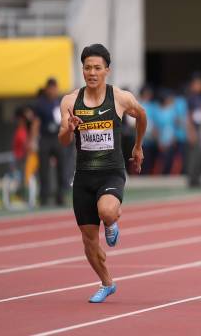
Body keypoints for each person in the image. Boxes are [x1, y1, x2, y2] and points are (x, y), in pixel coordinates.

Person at [58, 43, 147, 303]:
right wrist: (69, 128)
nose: (92, 72)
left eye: (97, 68)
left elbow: (141, 116)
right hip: (84, 175)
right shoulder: (70, 101)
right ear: (82, 70)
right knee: (88, 240)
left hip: (111, 172)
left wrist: (138, 146)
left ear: (107, 70)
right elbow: (63, 140)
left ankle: (111, 221)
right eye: (87, 68)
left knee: (107, 210)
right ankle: (107, 283)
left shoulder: (120, 97)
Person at [33, 77, 67, 206]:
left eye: (55, 88)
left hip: (58, 137)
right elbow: (36, 122)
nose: (53, 91)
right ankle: (44, 197)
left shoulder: (60, 102)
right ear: (47, 89)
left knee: (62, 167)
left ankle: (60, 195)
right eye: (51, 88)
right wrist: (33, 140)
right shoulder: (41, 103)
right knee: (44, 169)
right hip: (45, 138)